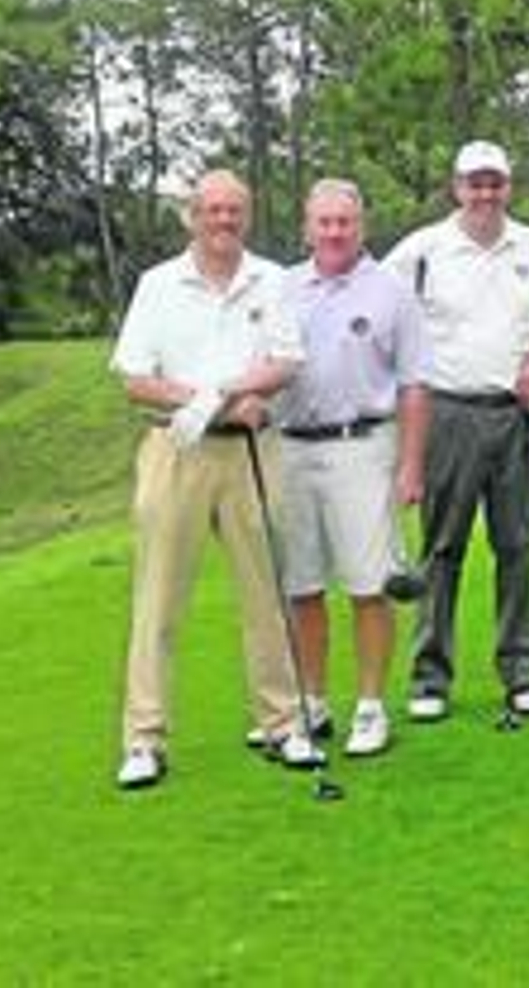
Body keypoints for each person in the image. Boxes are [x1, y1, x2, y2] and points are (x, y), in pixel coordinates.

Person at [110, 169, 318, 790]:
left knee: (266, 594)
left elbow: (285, 362)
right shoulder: (158, 285)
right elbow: (136, 379)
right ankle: (144, 739)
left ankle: (283, 723)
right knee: (159, 600)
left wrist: (230, 398)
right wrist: (219, 400)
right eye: (213, 211)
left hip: (252, 453)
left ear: (246, 216)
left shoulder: (271, 279)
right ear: (192, 217)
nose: (224, 221)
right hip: (175, 451)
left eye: (235, 211)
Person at [385, 140, 529, 721]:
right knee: (443, 546)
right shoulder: (423, 249)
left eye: (495, 183)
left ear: (508, 186)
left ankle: (521, 670)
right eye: (475, 183)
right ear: (456, 187)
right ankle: (429, 678)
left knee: (516, 544)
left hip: (515, 414)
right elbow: (382, 311)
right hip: (447, 413)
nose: (485, 193)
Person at [275, 179, 437, 758]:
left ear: (360, 226)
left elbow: (416, 384)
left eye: (344, 221)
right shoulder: (282, 288)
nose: (334, 232)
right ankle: (312, 702)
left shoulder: (391, 291)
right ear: (307, 226)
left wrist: (411, 466)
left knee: (369, 585)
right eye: (324, 222)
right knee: (302, 585)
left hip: (364, 445)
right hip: (290, 447)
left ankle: (370, 707)